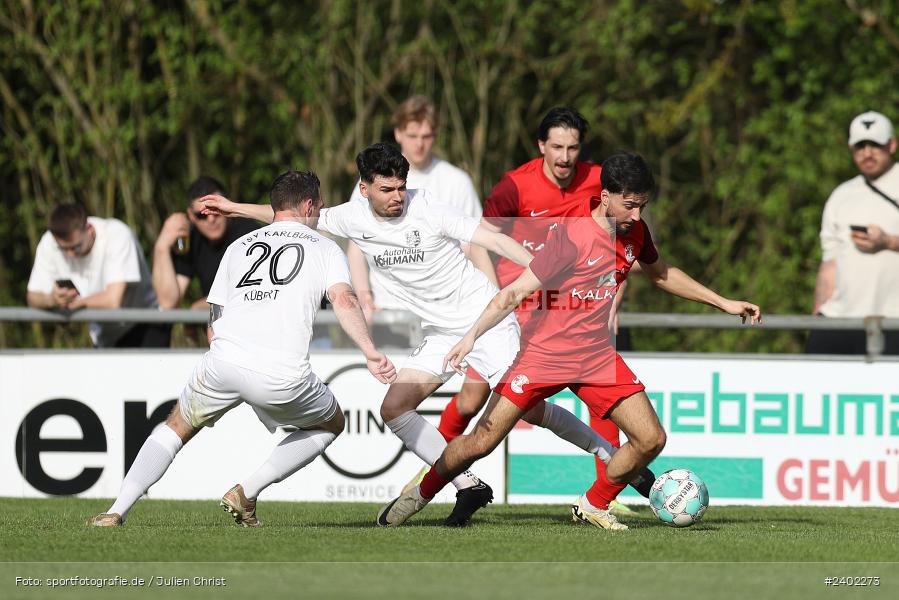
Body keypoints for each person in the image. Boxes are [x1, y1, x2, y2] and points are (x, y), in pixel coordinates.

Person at [201, 143, 653, 527]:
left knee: (532, 412)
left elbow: (491, 239)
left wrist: (540, 272)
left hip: (484, 323)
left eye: (402, 187)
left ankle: (609, 453)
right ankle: (466, 483)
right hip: (439, 334)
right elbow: (287, 217)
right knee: (394, 407)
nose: (398, 196)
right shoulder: (349, 218)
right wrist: (233, 206)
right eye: (387, 189)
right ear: (364, 189)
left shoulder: (429, 206)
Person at [377, 152, 762, 530]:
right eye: (629, 206)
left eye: (642, 206)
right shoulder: (572, 236)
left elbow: (661, 273)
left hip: (595, 357)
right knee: (481, 441)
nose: (637, 216)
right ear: (606, 196)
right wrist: (470, 337)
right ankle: (418, 497)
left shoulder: (634, 231)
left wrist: (723, 303)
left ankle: (593, 504)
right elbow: (512, 293)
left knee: (651, 439)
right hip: (542, 356)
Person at [89, 170, 397, 527]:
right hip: (282, 374)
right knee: (331, 423)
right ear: (310, 205)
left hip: (222, 362)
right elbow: (344, 299)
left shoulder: (239, 246)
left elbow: (214, 316)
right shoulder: (326, 247)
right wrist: (370, 350)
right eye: (321, 206)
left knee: (175, 426)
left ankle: (116, 510)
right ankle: (247, 492)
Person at [474, 106, 636, 516]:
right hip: (521, 310)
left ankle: (607, 492)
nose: (565, 157)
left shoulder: (599, 181)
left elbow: (625, 240)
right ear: (541, 146)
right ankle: (440, 472)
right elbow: (478, 241)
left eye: (573, 148)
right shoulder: (515, 186)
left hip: (575, 313)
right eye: (558, 147)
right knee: (470, 399)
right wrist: (499, 297)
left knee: (603, 396)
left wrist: (614, 296)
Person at [809, 111, 899, 354]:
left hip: (894, 320)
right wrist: (817, 315)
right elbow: (830, 264)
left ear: (892, 144)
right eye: (860, 146)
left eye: (875, 145)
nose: (867, 153)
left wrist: (888, 241)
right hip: (841, 319)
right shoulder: (841, 195)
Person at [26, 202, 169, 348]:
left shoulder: (116, 234)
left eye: (76, 246)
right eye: (63, 249)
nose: (71, 254)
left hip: (146, 325)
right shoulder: (48, 244)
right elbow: (32, 298)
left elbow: (113, 301)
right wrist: (52, 299)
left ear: (89, 229)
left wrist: (75, 304)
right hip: (104, 337)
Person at [153, 176, 260, 311]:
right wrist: (161, 247)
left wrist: (201, 306)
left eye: (216, 211)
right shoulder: (191, 239)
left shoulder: (250, 234)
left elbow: (252, 293)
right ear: (191, 215)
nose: (210, 219)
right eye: (202, 215)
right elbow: (167, 303)